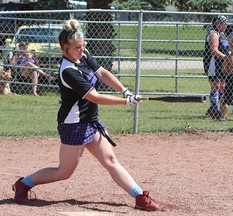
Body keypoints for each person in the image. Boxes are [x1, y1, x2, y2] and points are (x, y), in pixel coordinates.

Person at [12, 19, 160, 211]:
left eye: (82, 46)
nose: (81, 51)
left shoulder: (83, 56)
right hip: (73, 124)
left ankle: (140, 196)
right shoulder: (68, 71)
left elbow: (102, 73)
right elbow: (94, 97)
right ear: (65, 48)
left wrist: (125, 91)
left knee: (111, 161)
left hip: (90, 121)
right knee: (63, 172)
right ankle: (23, 184)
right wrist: (126, 102)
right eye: (77, 48)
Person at [203, 15, 229, 119]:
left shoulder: (222, 34)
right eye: (222, 23)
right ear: (216, 24)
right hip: (213, 62)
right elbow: (214, 50)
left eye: (225, 23)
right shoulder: (213, 34)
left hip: (221, 63)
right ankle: (214, 110)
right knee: (215, 86)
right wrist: (227, 57)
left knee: (222, 86)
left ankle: (219, 109)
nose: (224, 25)